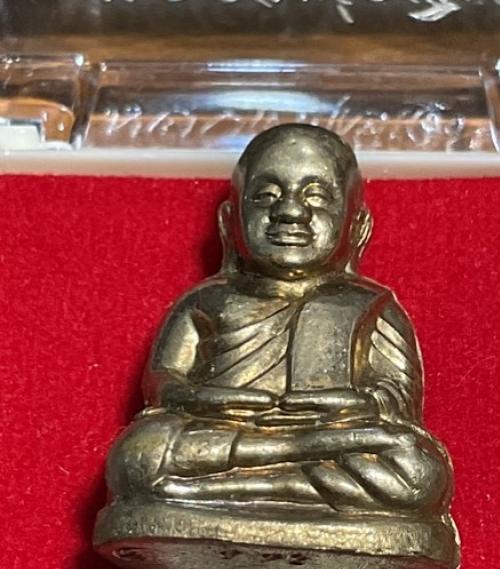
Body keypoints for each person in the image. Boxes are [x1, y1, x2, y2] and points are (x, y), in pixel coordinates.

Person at [106, 124, 453, 517]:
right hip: (225, 432)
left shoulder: (370, 306)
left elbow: (399, 398)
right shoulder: (208, 300)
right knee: (140, 450)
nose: (289, 212)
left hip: (333, 438)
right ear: (229, 221)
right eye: (265, 196)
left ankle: (243, 488)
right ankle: (278, 476)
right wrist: (205, 399)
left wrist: (358, 404)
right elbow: (163, 383)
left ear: (358, 226)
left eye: (317, 197)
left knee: (420, 470)